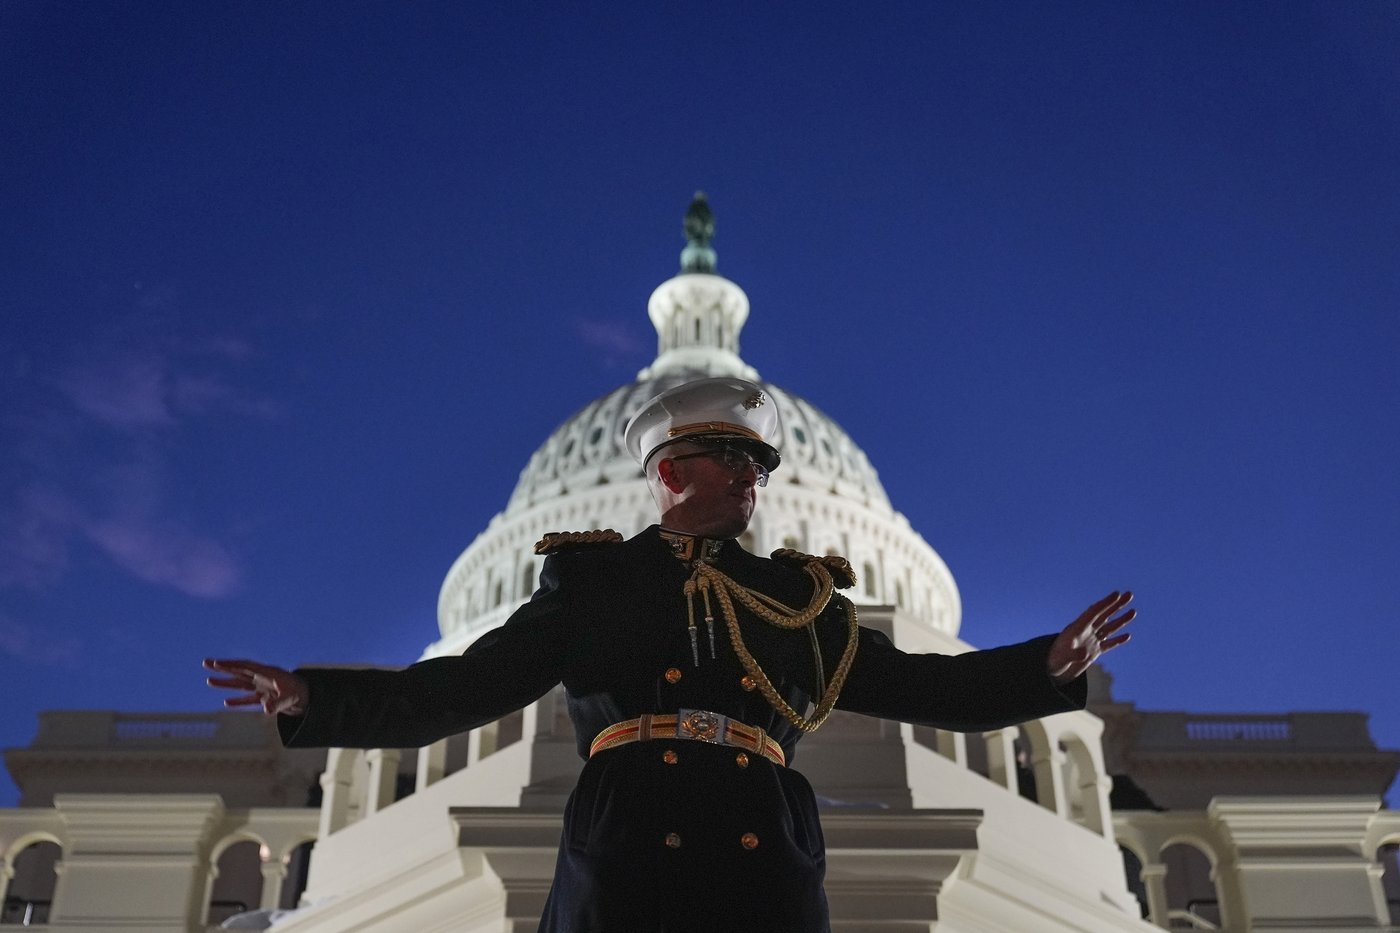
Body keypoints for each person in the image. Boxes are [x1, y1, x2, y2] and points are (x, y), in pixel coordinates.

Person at [206, 376, 1134, 933]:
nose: (751, 479)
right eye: (730, 460)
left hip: (759, 838)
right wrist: (313, 700)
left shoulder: (798, 600)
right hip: (632, 835)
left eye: (759, 466)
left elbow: (928, 685)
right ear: (668, 472)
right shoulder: (597, 586)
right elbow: (465, 687)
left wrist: (1045, 665)